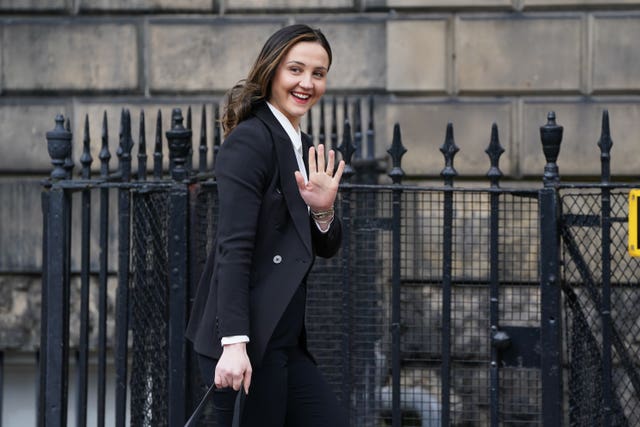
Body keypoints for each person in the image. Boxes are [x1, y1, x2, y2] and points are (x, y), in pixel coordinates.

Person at [185, 24, 347, 427]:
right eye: (296, 70)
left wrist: (323, 211)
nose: (306, 83)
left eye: (318, 73)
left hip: (284, 341)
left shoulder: (302, 146)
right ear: (273, 71)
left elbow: (326, 246)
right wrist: (234, 344)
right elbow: (233, 248)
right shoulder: (250, 140)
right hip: (246, 344)